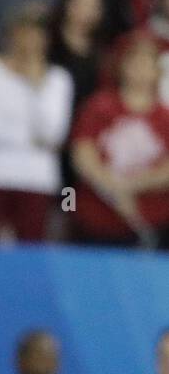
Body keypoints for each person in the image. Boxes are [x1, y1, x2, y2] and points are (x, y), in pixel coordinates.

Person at [0, 7, 73, 243]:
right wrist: (31, 141)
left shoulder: (58, 79)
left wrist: (35, 85)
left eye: (37, 35)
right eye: (24, 34)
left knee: (29, 256)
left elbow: (53, 135)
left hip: (36, 179)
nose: (30, 42)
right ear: (11, 36)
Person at [70, 31, 169, 248]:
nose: (140, 69)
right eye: (134, 62)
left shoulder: (165, 116)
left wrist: (131, 185)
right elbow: (82, 154)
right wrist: (112, 189)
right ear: (122, 66)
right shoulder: (99, 106)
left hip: (150, 222)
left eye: (147, 63)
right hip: (95, 218)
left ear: (157, 71)